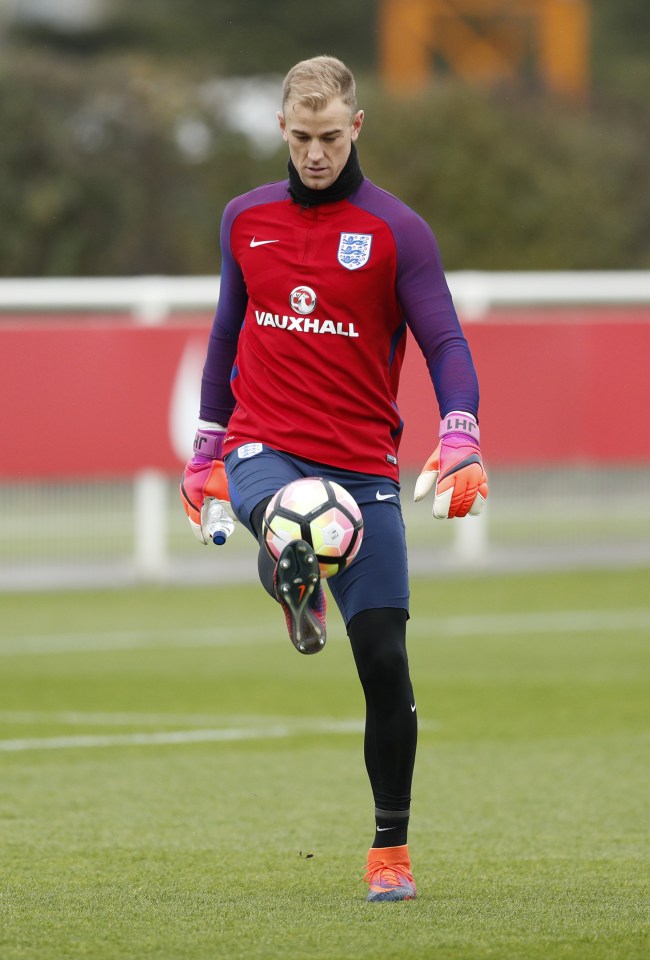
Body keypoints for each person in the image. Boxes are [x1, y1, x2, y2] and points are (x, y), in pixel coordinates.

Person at [181, 55, 488, 903]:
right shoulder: (245, 219)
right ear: (282, 130)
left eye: (330, 137)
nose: (315, 154)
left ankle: (390, 849)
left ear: (356, 129)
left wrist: (460, 434)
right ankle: (290, 560)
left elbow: (447, 345)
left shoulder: (398, 232)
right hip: (262, 449)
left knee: (385, 659)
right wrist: (206, 451)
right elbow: (223, 336)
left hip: (363, 467)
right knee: (286, 509)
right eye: (301, 137)